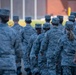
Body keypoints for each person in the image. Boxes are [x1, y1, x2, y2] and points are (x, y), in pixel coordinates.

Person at [0, 9, 22, 75]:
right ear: (8, 18)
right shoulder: (13, 32)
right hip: (9, 64)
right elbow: (18, 50)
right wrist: (17, 61)